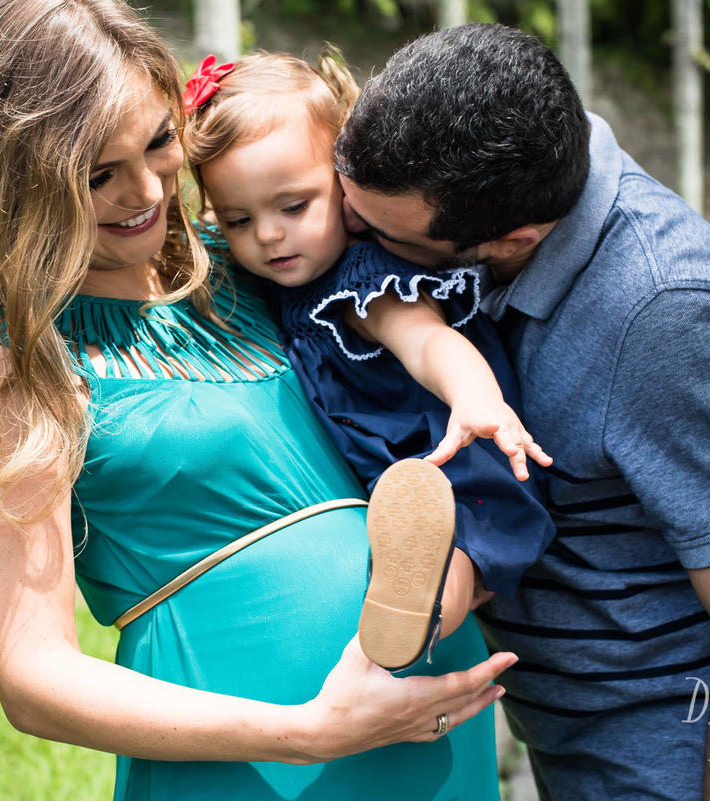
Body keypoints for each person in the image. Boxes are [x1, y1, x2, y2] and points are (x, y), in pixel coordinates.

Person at [0, 3, 514, 801]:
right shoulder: (13, 363)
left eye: (159, 142)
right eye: (98, 174)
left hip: (428, 725)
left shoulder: (250, 256)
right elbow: (31, 674)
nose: (146, 191)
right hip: (255, 754)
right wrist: (312, 729)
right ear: (17, 178)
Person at [333, 22, 710, 801]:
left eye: (377, 234)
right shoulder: (504, 202)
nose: (350, 239)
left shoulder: (666, 311)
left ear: (511, 240)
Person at [182, 50, 556, 671]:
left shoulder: (364, 283)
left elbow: (426, 340)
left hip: (444, 458)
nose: (270, 235)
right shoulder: (283, 271)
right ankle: (410, 594)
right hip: (382, 475)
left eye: (294, 207)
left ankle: (420, 612)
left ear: (346, 191)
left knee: (457, 554)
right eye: (239, 218)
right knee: (421, 541)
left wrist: (475, 399)